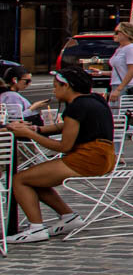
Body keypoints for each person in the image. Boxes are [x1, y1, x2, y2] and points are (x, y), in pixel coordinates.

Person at [3, 68, 115, 243]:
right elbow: (64, 126)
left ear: (67, 86)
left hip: (87, 158)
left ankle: (36, 228)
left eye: (56, 87)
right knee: (36, 177)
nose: (54, 91)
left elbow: (63, 146)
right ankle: (69, 217)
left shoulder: (77, 106)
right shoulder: (92, 100)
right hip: (104, 157)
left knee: (20, 179)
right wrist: (37, 129)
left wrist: (31, 134)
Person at [107, 21, 133, 103]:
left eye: (117, 32)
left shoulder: (131, 48)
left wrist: (119, 89)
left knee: (119, 113)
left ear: (126, 33)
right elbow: (121, 70)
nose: (114, 35)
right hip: (117, 85)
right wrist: (101, 73)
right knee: (114, 112)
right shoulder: (119, 49)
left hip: (125, 87)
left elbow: (132, 70)